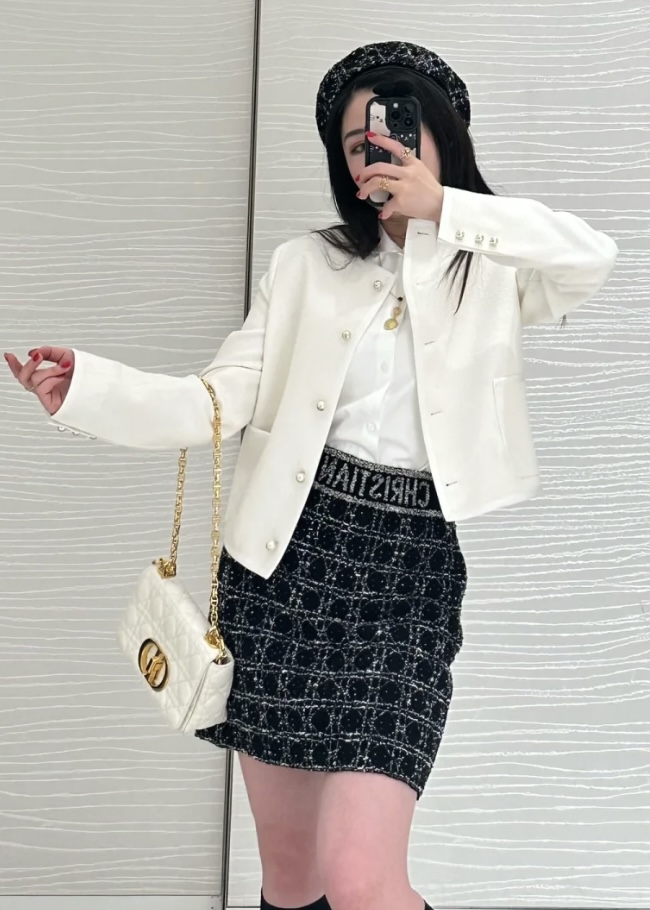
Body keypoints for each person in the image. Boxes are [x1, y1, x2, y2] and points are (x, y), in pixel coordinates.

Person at [4, 40, 617, 910]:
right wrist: (87, 391)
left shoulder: (495, 268)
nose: (377, 151)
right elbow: (214, 400)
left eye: (397, 128)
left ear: (442, 134)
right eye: (357, 141)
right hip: (284, 567)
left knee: (364, 882)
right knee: (293, 880)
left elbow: (591, 256)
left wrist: (446, 208)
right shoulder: (305, 266)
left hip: (407, 578)